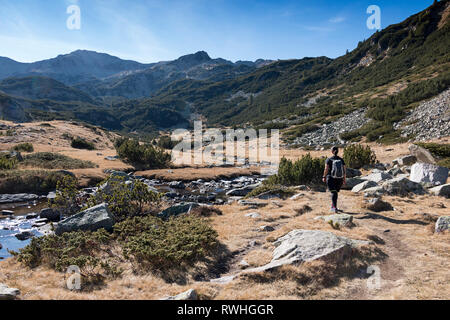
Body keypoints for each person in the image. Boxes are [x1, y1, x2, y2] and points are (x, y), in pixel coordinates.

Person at [322, 146, 346, 213]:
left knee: (333, 192)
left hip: (331, 178)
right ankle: (334, 207)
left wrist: (324, 176)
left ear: (332, 151)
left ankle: (334, 208)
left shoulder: (329, 159)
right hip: (339, 178)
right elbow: (344, 170)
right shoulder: (341, 159)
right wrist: (344, 179)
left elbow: (326, 169)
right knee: (335, 192)